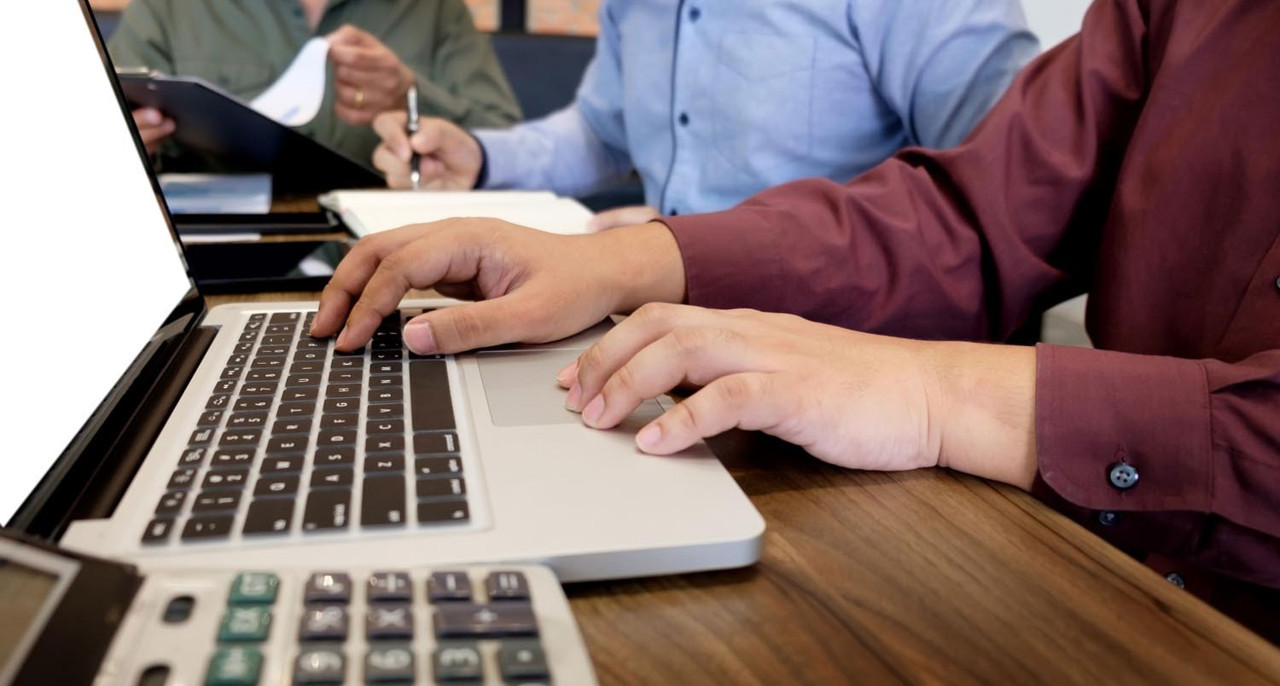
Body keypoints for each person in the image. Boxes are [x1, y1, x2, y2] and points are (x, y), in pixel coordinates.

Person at [312, 0, 1280, 640]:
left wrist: (928, 386)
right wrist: (633, 255)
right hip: (756, 361)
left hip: (897, 398)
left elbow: (979, 175)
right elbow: (974, 209)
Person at [370, 0, 1038, 229]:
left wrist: (703, 246)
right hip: (654, 331)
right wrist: (484, 159)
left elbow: (1003, 206)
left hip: (847, 364)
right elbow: (602, 131)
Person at [108, 0, 521, 163]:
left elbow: (508, 147)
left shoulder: (435, 9)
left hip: (396, 261)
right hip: (217, 261)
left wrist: (409, 95)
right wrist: (128, 146)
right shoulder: (169, 7)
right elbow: (101, 136)